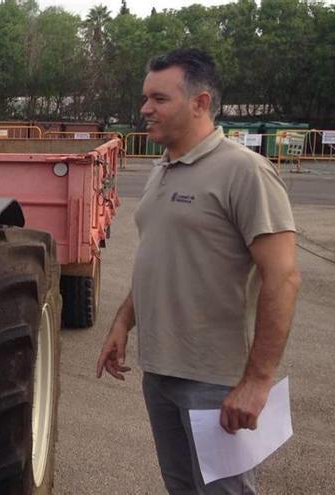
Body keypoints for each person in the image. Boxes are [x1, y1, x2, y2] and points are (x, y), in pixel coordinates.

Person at [95, 48, 301, 493]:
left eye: (159, 98)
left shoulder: (244, 171)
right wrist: (122, 323)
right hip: (160, 373)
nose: (145, 109)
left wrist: (257, 381)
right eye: (145, 98)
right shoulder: (162, 168)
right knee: (181, 488)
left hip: (215, 383)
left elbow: (283, 277)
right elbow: (160, 257)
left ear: (200, 102)